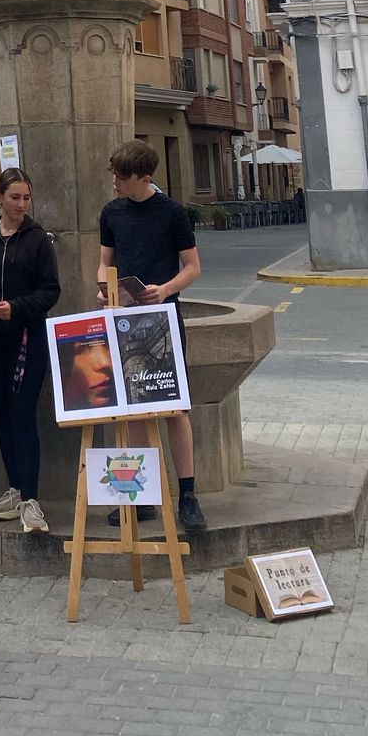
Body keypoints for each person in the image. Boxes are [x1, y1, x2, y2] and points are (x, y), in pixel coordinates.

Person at [96, 140, 207, 533]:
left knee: (175, 409)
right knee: (134, 409)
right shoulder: (112, 212)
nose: (115, 182)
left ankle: (188, 495)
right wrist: (104, 290)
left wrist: (165, 290)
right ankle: (139, 497)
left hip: (163, 316)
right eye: (114, 174)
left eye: (122, 176)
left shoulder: (172, 213)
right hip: (126, 318)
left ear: (144, 177)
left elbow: (193, 267)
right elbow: (105, 262)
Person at [0, 168, 60, 534]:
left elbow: (50, 291)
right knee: (1, 412)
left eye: (26, 198)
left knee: (22, 412)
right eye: (14, 197)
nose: (21, 204)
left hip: (26, 338)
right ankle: (15, 489)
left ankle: (32, 500)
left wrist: (16, 308)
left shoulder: (38, 241)